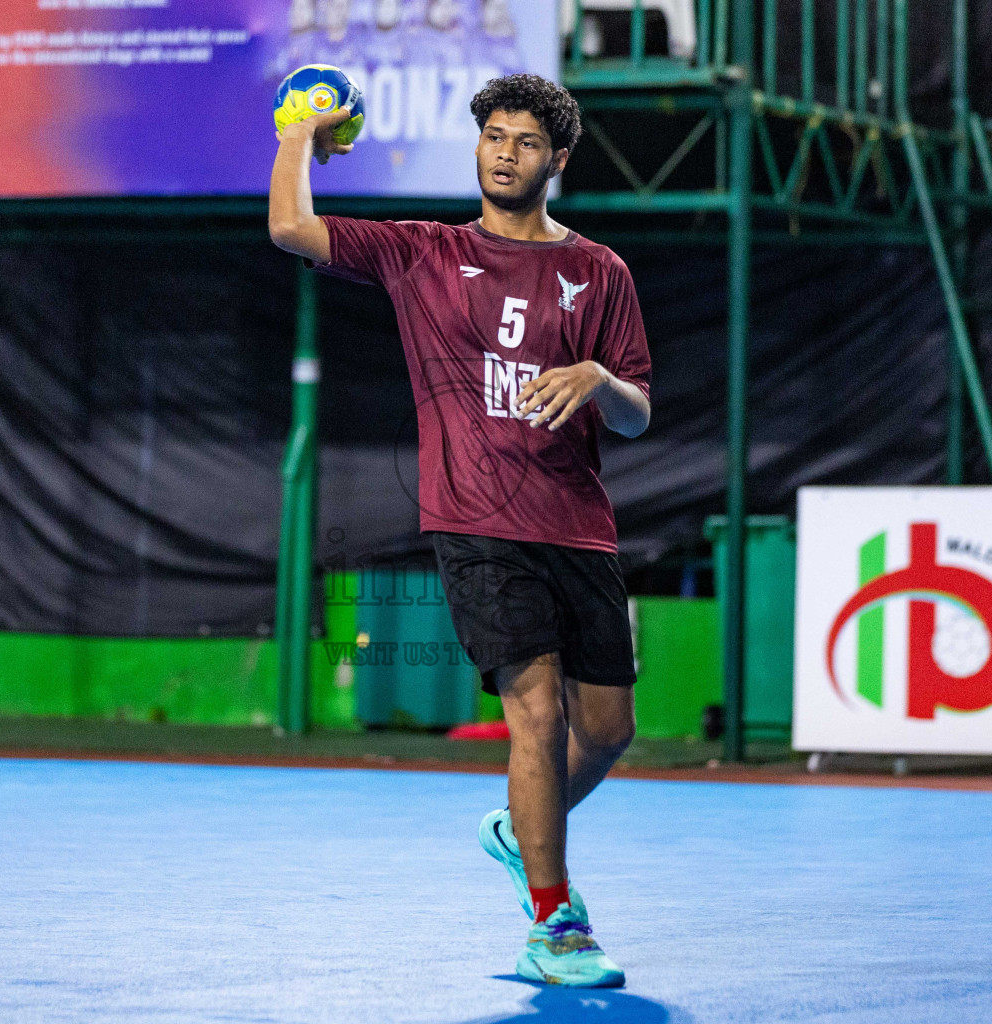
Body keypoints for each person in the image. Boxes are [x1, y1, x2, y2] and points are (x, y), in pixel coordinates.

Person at [268, 73, 650, 989]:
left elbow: (639, 412)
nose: (505, 152)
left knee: (606, 729)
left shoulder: (601, 272)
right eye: (493, 136)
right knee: (536, 710)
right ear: (477, 147)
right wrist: (298, 137)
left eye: (525, 141)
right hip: (476, 522)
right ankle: (552, 924)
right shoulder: (423, 253)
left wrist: (599, 378)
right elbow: (290, 228)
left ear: (557, 160)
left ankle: (516, 829)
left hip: (578, 525)